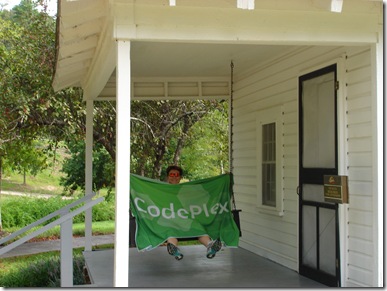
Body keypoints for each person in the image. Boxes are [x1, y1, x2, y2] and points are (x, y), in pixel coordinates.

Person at [165, 165, 222, 260]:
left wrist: (223, 180)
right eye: (171, 174)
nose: (174, 176)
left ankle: (210, 246)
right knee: (171, 231)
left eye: (177, 174)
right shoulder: (162, 190)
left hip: (185, 219)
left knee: (198, 228)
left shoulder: (187, 190)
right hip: (170, 220)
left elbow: (198, 200)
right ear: (168, 177)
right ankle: (174, 249)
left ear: (180, 177)